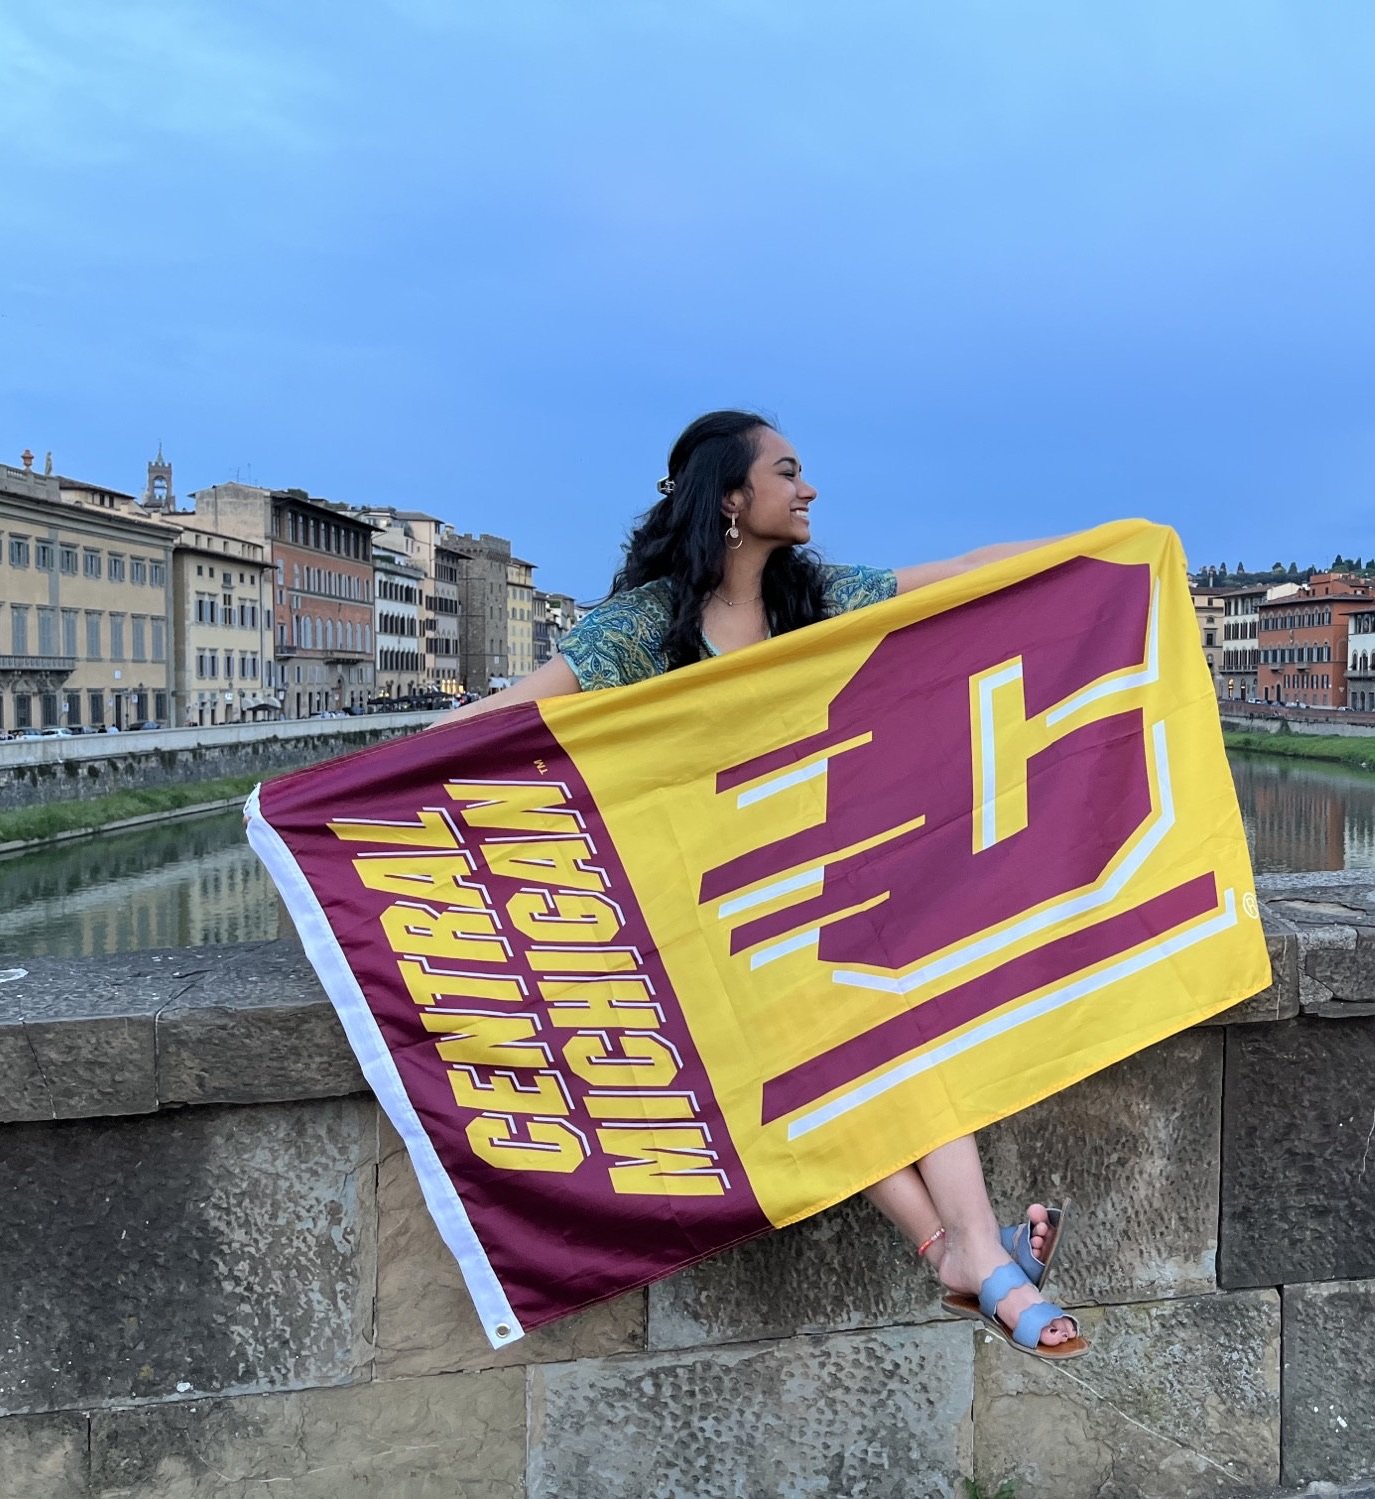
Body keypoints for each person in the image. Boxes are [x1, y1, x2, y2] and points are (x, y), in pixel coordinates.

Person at [443, 409, 1085, 1358]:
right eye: (788, 471)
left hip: (807, 895)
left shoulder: (812, 597)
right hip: (701, 920)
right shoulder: (641, 629)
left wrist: (1102, 551)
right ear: (734, 500)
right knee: (858, 1027)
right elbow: (507, 718)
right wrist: (329, 788)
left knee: (872, 1025)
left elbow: (954, 577)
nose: (809, 487)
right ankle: (978, 1259)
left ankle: (962, 1254)